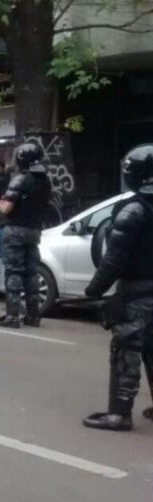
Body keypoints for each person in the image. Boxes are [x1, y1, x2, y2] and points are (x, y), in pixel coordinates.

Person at [82, 144, 153, 431]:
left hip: (137, 293)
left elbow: (113, 259)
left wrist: (94, 290)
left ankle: (120, 412)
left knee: (126, 349)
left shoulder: (134, 210)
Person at [0, 142, 52, 329]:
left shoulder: (20, 179)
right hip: (34, 230)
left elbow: (5, 207)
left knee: (13, 271)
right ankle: (33, 315)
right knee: (31, 272)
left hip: (15, 229)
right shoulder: (45, 181)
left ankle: (12, 315)